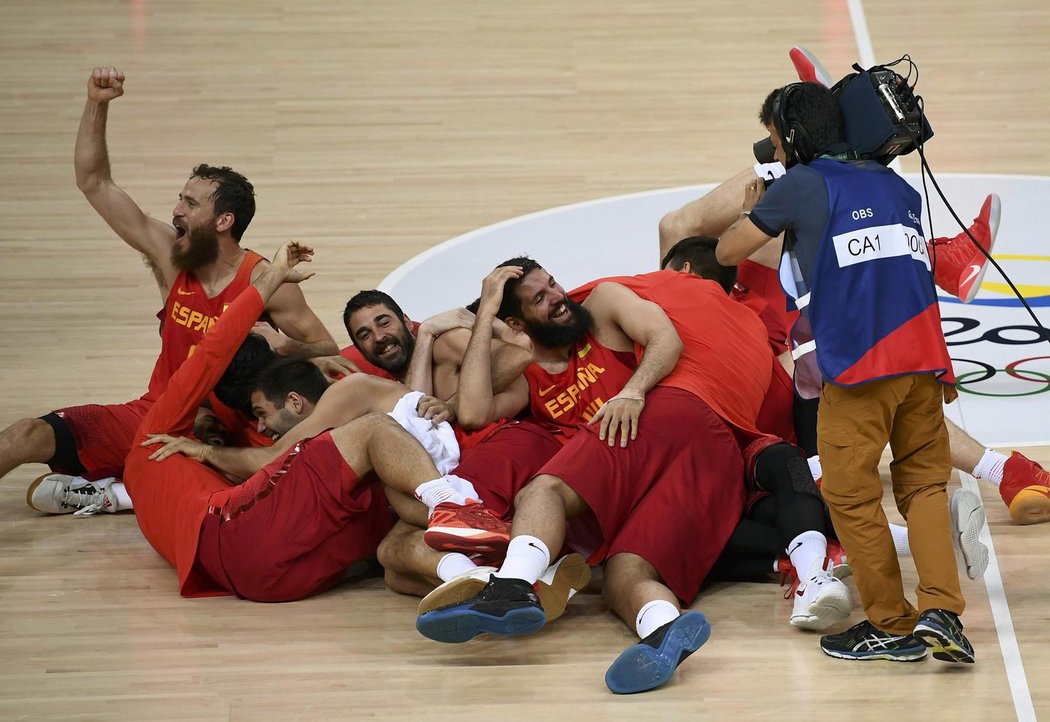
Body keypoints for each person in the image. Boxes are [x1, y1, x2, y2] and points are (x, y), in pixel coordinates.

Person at [417, 258, 790, 694]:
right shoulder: (529, 373)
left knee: (543, 491)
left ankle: (514, 586)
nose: (558, 297)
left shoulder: (601, 304)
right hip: (682, 470)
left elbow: (664, 338)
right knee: (624, 577)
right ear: (516, 323)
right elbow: (474, 412)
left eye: (553, 284)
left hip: (662, 421)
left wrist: (633, 390)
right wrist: (485, 313)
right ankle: (664, 630)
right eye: (540, 298)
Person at [12, 67, 348, 516]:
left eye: (190, 203)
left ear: (224, 221)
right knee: (25, 435)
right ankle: (128, 486)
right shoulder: (172, 258)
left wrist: (281, 344)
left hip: (233, 424)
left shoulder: (263, 279)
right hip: (161, 411)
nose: (176, 210)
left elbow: (326, 345)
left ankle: (121, 492)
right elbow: (95, 183)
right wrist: (97, 103)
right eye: (180, 199)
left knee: (286, 481)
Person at [716, 82, 973, 663]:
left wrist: (762, 199)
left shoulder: (804, 185)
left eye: (778, 142)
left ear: (798, 139)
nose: (776, 152)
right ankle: (942, 611)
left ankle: (893, 625)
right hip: (925, 364)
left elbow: (730, 250)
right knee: (926, 486)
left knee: (852, 496)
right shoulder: (897, 186)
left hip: (859, 370)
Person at [122, 240, 482, 601]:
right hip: (242, 534)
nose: (259, 426)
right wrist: (273, 276)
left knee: (392, 559)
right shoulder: (162, 432)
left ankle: (483, 581)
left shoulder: (152, 459)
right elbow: (218, 342)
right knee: (372, 437)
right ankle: (456, 511)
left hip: (266, 581)